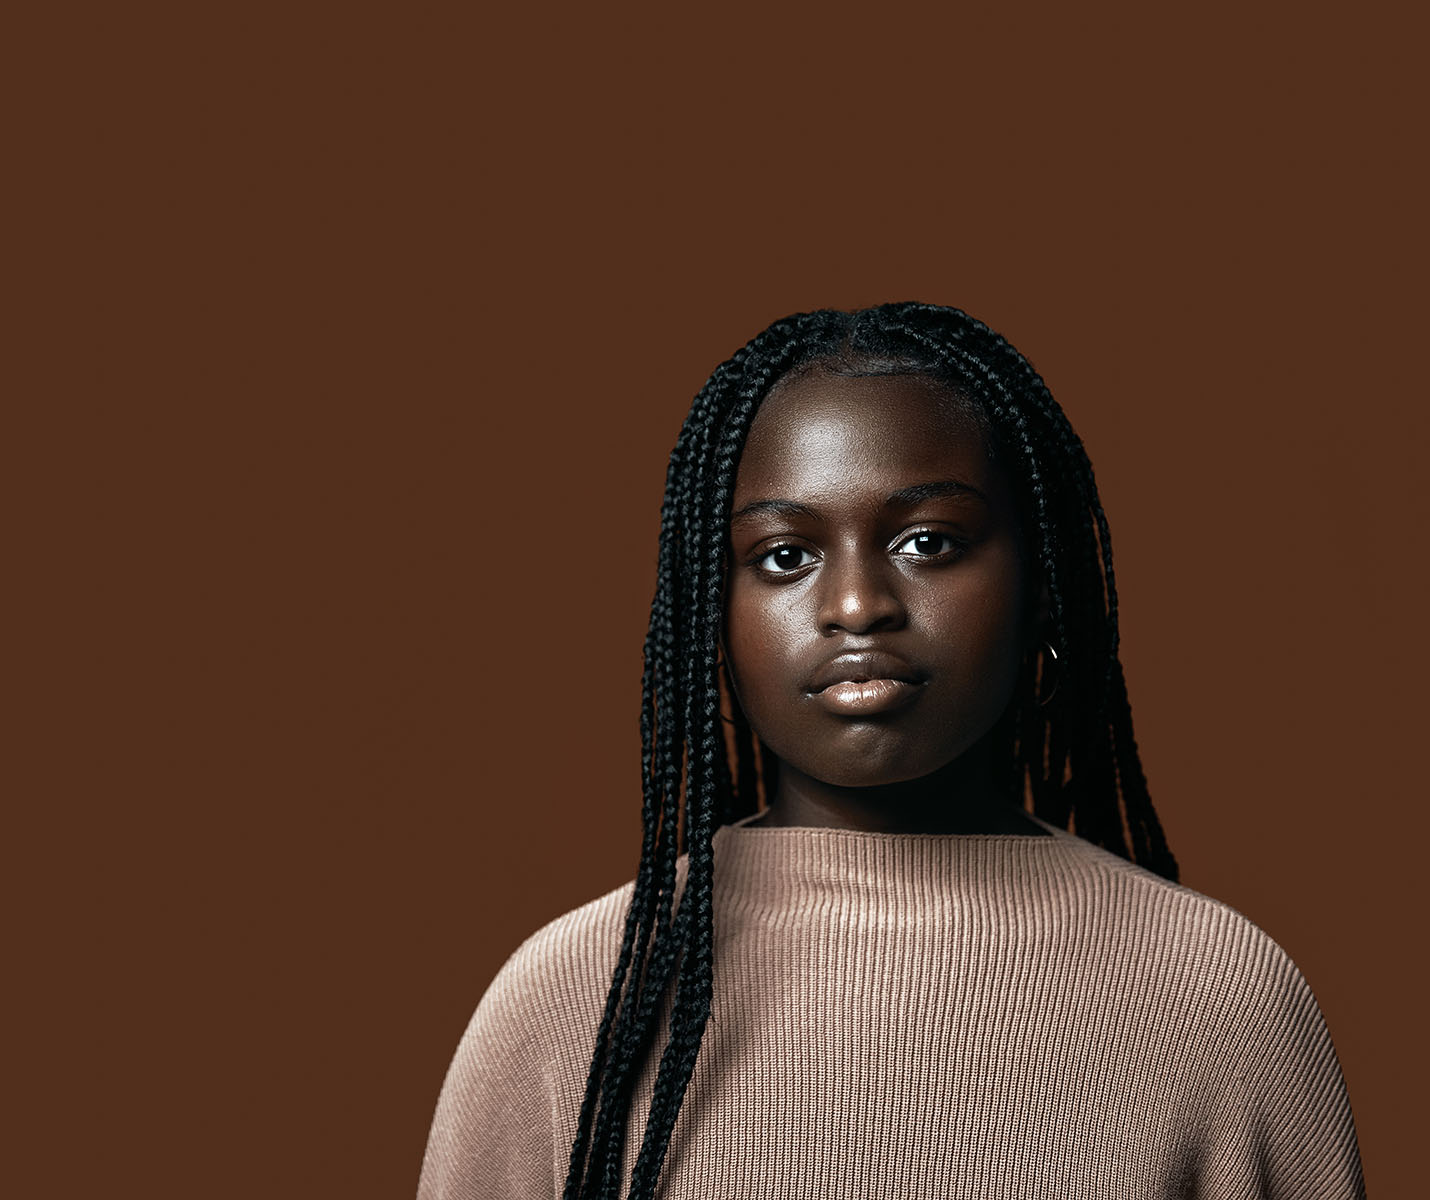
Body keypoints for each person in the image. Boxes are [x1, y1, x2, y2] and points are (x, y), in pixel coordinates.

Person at [418, 302, 1366, 1199]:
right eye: (785, 556)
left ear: (1039, 585)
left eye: (928, 541)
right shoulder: (575, 1002)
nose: (858, 605)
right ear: (713, 611)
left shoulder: (1218, 995)